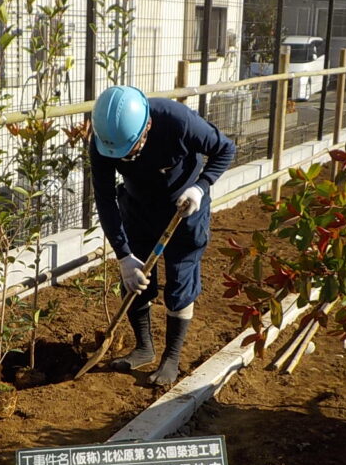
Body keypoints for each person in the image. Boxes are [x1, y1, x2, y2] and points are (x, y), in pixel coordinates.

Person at [90, 85, 237, 386]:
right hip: (137, 208)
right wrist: (123, 256)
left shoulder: (177, 121)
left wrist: (201, 187)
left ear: (147, 127)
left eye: (132, 149)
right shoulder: (105, 141)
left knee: (180, 281)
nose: (127, 157)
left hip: (184, 209)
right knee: (136, 282)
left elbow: (225, 149)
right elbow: (104, 199)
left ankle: (171, 356)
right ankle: (144, 347)